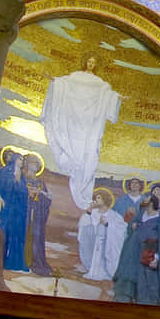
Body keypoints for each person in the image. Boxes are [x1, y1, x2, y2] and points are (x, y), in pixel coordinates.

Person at [42, 56, 122, 210]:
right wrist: (54, 80)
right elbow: (64, 84)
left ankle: (82, 184)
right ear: (85, 62)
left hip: (90, 123)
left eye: (94, 63)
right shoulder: (75, 76)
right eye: (89, 62)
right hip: (72, 120)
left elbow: (107, 94)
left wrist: (116, 97)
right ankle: (73, 165)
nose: (91, 64)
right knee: (71, 144)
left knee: (89, 151)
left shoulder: (99, 83)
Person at [114, 193, 160, 304]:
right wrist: (133, 225)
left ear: (152, 203)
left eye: (146, 200)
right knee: (129, 272)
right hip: (133, 249)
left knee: (146, 277)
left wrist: (157, 257)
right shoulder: (142, 213)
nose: (143, 202)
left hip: (147, 251)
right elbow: (131, 226)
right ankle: (125, 297)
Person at [0, 152, 29, 272]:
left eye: (23, 160)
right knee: (3, 235)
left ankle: (13, 262)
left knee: (16, 236)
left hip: (17, 211)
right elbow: (2, 187)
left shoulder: (22, 176)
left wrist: (19, 183)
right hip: (6, 208)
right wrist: (14, 182)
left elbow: (24, 192)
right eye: (20, 159)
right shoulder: (5, 171)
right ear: (14, 159)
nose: (21, 162)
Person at [77, 191, 120, 281]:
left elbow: (120, 228)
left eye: (99, 198)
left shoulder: (113, 215)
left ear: (105, 199)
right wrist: (89, 210)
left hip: (107, 242)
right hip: (94, 242)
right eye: (95, 198)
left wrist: (107, 224)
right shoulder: (93, 212)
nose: (96, 200)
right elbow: (83, 224)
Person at [26, 175, 54, 277]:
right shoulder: (24, 180)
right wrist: (28, 194)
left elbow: (48, 199)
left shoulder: (41, 183)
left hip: (37, 217)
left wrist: (39, 193)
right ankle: (25, 261)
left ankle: (36, 262)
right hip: (26, 215)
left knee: (36, 239)